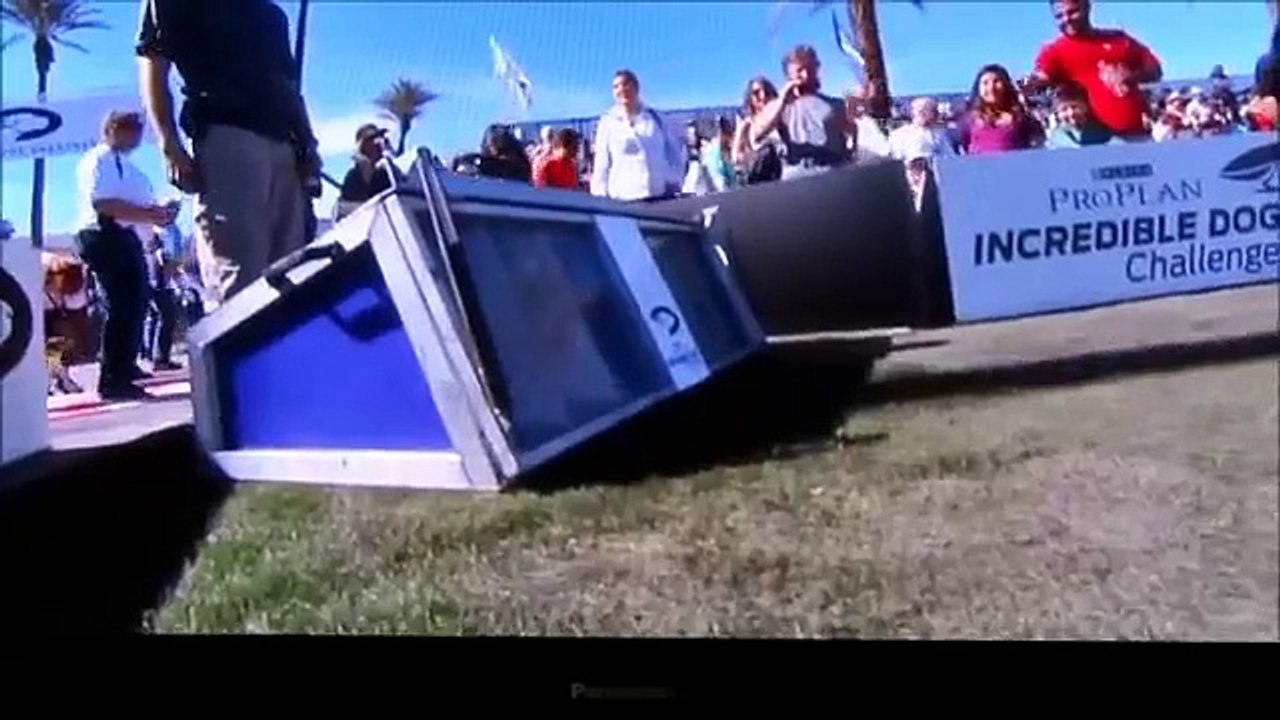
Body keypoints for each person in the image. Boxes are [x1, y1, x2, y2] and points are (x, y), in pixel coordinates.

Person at [136, 0, 322, 305]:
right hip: (228, 137)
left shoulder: (271, 14)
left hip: (284, 146)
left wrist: (308, 145)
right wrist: (169, 144)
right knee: (240, 276)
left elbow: (287, 86)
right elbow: (153, 61)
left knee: (292, 272)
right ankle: (236, 350)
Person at [73, 110, 175, 400]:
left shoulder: (126, 166)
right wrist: (148, 214)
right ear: (114, 129)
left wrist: (156, 214)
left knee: (138, 300)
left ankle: (125, 364)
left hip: (125, 235)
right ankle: (112, 378)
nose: (137, 138)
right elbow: (103, 203)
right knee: (120, 304)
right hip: (104, 233)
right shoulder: (99, 159)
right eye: (131, 131)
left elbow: (133, 202)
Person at [1023, 0, 1162, 142]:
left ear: (1087, 7)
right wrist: (1031, 83)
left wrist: (1130, 75)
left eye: (1072, 12)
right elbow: (1041, 78)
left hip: (1137, 134)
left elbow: (1156, 70)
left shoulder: (1118, 38)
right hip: (1092, 141)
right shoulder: (1053, 51)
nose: (1067, 19)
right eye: (1059, 16)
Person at [590, 69, 684, 201]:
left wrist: (674, 182)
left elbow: (674, 155)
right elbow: (601, 164)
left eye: (625, 84)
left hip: (659, 196)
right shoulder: (607, 122)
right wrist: (600, 197)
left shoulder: (656, 118)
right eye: (616, 86)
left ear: (637, 87)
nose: (621, 89)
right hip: (623, 200)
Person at [956, 64, 1044, 155]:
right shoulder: (968, 120)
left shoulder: (1021, 118)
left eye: (996, 81)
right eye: (985, 83)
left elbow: (1037, 147)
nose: (991, 88)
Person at [336, 124, 393, 221]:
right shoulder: (353, 177)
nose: (377, 143)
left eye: (379, 139)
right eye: (371, 140)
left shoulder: (384, 175)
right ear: (362, 146)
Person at [732, 76, 783, 185]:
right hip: (760, 182)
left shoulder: (784, 119)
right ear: (750, 98)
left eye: (767, 92)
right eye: (756, 93)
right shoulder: (747, 125)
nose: (763, 96)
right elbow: (736, 159)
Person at [1045, 82, 1120, 148]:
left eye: (1075, 107)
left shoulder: (1104, 131)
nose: (1071, 113)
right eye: (1064, 109)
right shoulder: (1057, 136)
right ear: (1057, 114)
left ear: (1085, 107)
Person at [888, 96, 956, 164]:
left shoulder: (939, 135)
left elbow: (949, 158)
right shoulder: (899, 134)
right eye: (921, 112)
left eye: (933, 112)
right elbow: (895, 158)